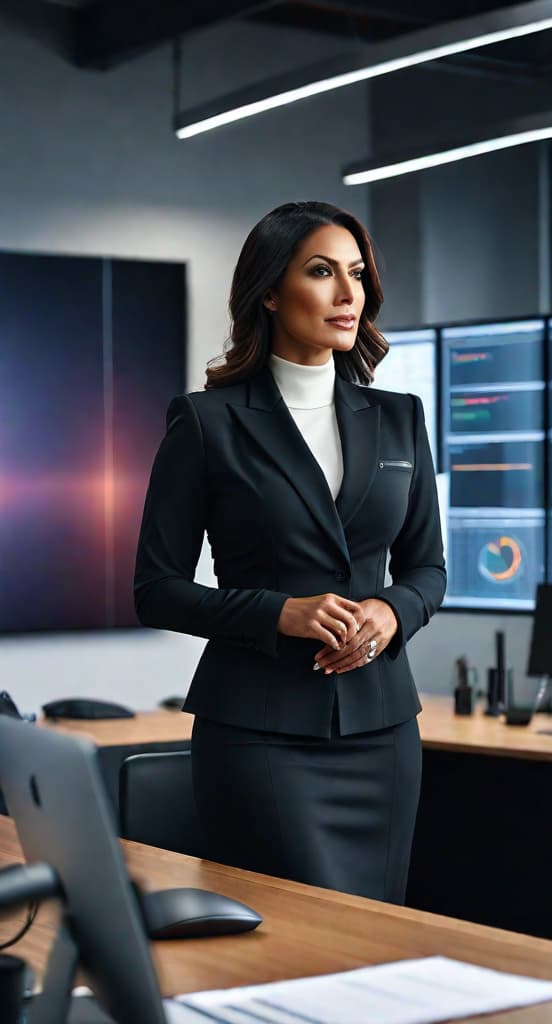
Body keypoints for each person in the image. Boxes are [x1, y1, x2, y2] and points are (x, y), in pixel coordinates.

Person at [134, 201, 446, 903]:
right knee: (287, 945)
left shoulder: (400, 419)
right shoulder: (206, 422)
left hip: (383, 733)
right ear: (270, 291)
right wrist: (281, 614)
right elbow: (154, 589)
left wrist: (391, 613)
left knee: (377, 942)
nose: (347, 294)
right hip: (257, 734)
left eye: (357, 275)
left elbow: (428, 569)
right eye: (321, 272)